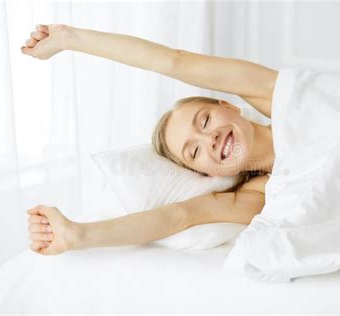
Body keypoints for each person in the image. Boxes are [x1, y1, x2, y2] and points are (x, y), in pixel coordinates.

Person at [21, 23, 278, 256]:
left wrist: (69, 38)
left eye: (205, 121)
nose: (209, 139)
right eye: (194, 152)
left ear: (229, 106)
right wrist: (76, 234)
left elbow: (174, 61)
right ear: (207, 173)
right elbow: (179, 215)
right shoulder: (259, 194)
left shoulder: (274, 95)